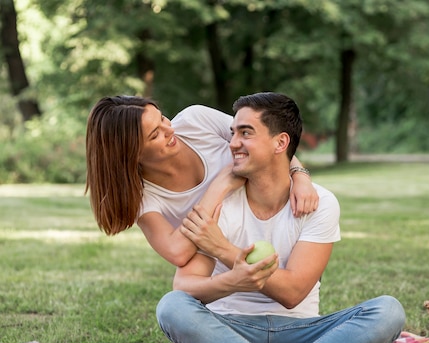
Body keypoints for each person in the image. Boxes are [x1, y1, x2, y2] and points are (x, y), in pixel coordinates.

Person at [156, 92, 405, 343]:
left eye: (245, 133)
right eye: (233, 133)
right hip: (230, 334)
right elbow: (184, 286)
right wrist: (233, 282)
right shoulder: (220, 204)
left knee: (388, 311)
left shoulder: (319, 203)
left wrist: (225, 251)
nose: (232, 143)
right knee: (171, 307)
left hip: (301, 332)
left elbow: (293, 293)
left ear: (280, 143)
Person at [85, 96, 318, 267]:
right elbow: (177, 253)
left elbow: (266, 141)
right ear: (132, 153)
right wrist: (219, 186)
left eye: (162, 118)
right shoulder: (144, 198)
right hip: (223, 264)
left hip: (276, 230)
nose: (169, 129)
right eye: (155, 134)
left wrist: (300, 175)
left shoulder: (196, 120)